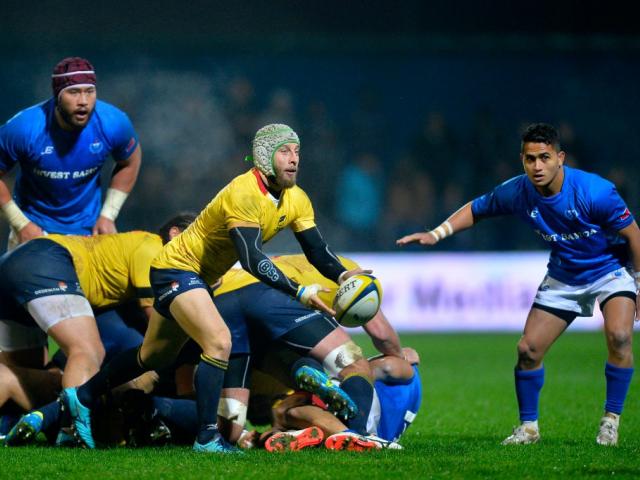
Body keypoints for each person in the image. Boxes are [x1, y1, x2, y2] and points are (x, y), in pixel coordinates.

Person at [65, 124, 367, 453]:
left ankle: (80, 397)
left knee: (152, 356)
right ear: (265, 156)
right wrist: (298, 291)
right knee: (219, 341)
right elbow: (251, 258)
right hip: (176, 269)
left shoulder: (296, 198)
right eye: (284, 151)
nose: (294, 159)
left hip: (198, 278)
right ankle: (207, 438)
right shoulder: (244, 192)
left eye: (297, 152)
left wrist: (342, 276)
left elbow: (317, 250)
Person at [397, 123, 640, 446]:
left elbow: (633, 234)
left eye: (544, 158)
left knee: (621, 336)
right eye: (530, 159)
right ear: (522, 160)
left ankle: (611, 420)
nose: (537, 166)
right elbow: (476, 208)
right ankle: (528, 428)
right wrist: (436, 234)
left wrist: (637, 282)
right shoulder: (517, 191)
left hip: (609, 270)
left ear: (560, 158)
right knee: (528, 350)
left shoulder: (595, 192)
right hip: (564, 275)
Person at [0, 214, 195, 446]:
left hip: (15, 265)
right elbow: (160, 322)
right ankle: (72, 432)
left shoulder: (131, 248)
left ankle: (57, 421)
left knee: (20, 374)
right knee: (88, 351)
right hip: (47, 262)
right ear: (175, 234)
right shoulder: (155, 251)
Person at [0, 57, 141, 249]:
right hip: (33, 232)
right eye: (73, 92)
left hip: (89, 233)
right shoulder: (24, 128)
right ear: (57, 95)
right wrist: (20, 224)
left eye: (89, 92)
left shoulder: (113, 123)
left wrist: (109, 214)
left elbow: (130, 161)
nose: (83, 101)